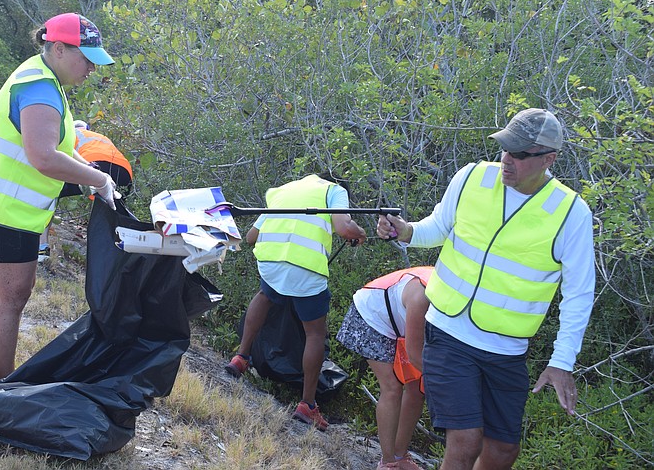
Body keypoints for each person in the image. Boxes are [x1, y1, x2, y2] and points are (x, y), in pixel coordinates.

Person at [377, 108, 595, 470]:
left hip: (506, 350)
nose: (507, 159)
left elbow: (579, 293)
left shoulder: (571, 212)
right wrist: (407, 231)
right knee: (464, 441)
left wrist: (561, 362)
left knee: (503, 451)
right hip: (447, 331)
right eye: (505, 148)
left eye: (520, 154)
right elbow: (438, 226)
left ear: (549, 159)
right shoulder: (473, 177)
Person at [0, 13, 119, 380]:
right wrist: (99, 179)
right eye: (87, 58)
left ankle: (2, 382)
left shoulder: (44, 78)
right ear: (59, 48)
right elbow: (43, 157)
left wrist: (95, 179)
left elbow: (60, 145)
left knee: (15, 295)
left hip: (8, 208)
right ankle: (1, 385)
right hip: (1, 210)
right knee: (10, 300)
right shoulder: (39, 89)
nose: (92, 67)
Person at [224, 174, 367, 431]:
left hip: (270, 263)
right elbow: (345, 227)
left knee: (265, 295)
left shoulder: (284, 188)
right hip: (306, 270)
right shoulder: (335, 191)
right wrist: (359, 232)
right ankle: (307, 405)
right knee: (314, 332)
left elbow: (251, 237)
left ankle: (241, 358)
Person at [336, 267, 432, 469]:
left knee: (417, 390)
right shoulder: (422, 296)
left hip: (399, 322)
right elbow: (415, 355)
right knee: (392, 387)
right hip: (371, 315)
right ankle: (387, 462)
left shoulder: (461, 296)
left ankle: (400, 455)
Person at [38, 119, 133, 260]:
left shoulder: (68, 134)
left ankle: (42, 248)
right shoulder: (99, 137)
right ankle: (121, 253)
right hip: (124, 171)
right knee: (116, 212)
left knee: (49, 193)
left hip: (92, 165)